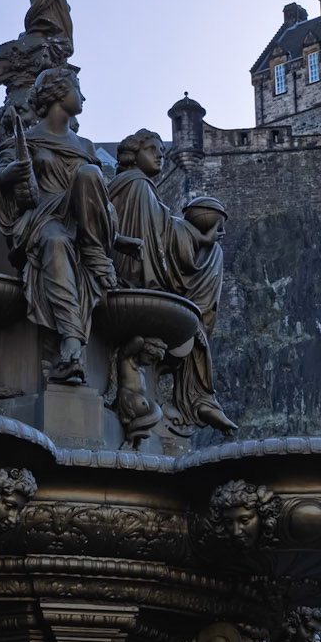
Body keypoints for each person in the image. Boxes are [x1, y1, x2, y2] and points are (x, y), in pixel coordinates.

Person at [0, 66, 117, 383]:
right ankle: (71, 344)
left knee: (89, 175)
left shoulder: (86, 147)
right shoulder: (28, 140)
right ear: (59, 92)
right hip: (43, 218)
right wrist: (12, 174)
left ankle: (94, 253)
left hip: (84, 220)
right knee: (55, 241)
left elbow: (102, 199)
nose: (83, 95)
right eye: (77, 87)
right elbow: (0, 179)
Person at [110, 130, 234, 433]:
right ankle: (197, 397)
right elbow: (160, 230)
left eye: (161, 151)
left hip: (145, 268)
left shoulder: (142, 188)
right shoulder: (136, 186)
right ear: (132, 154)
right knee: (210, 254)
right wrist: (201, 236)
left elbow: (163, 226)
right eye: (152, 149)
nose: (160, 155)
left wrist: (200, 237)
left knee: (212, 253)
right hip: (135, 274)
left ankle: (200, 397)